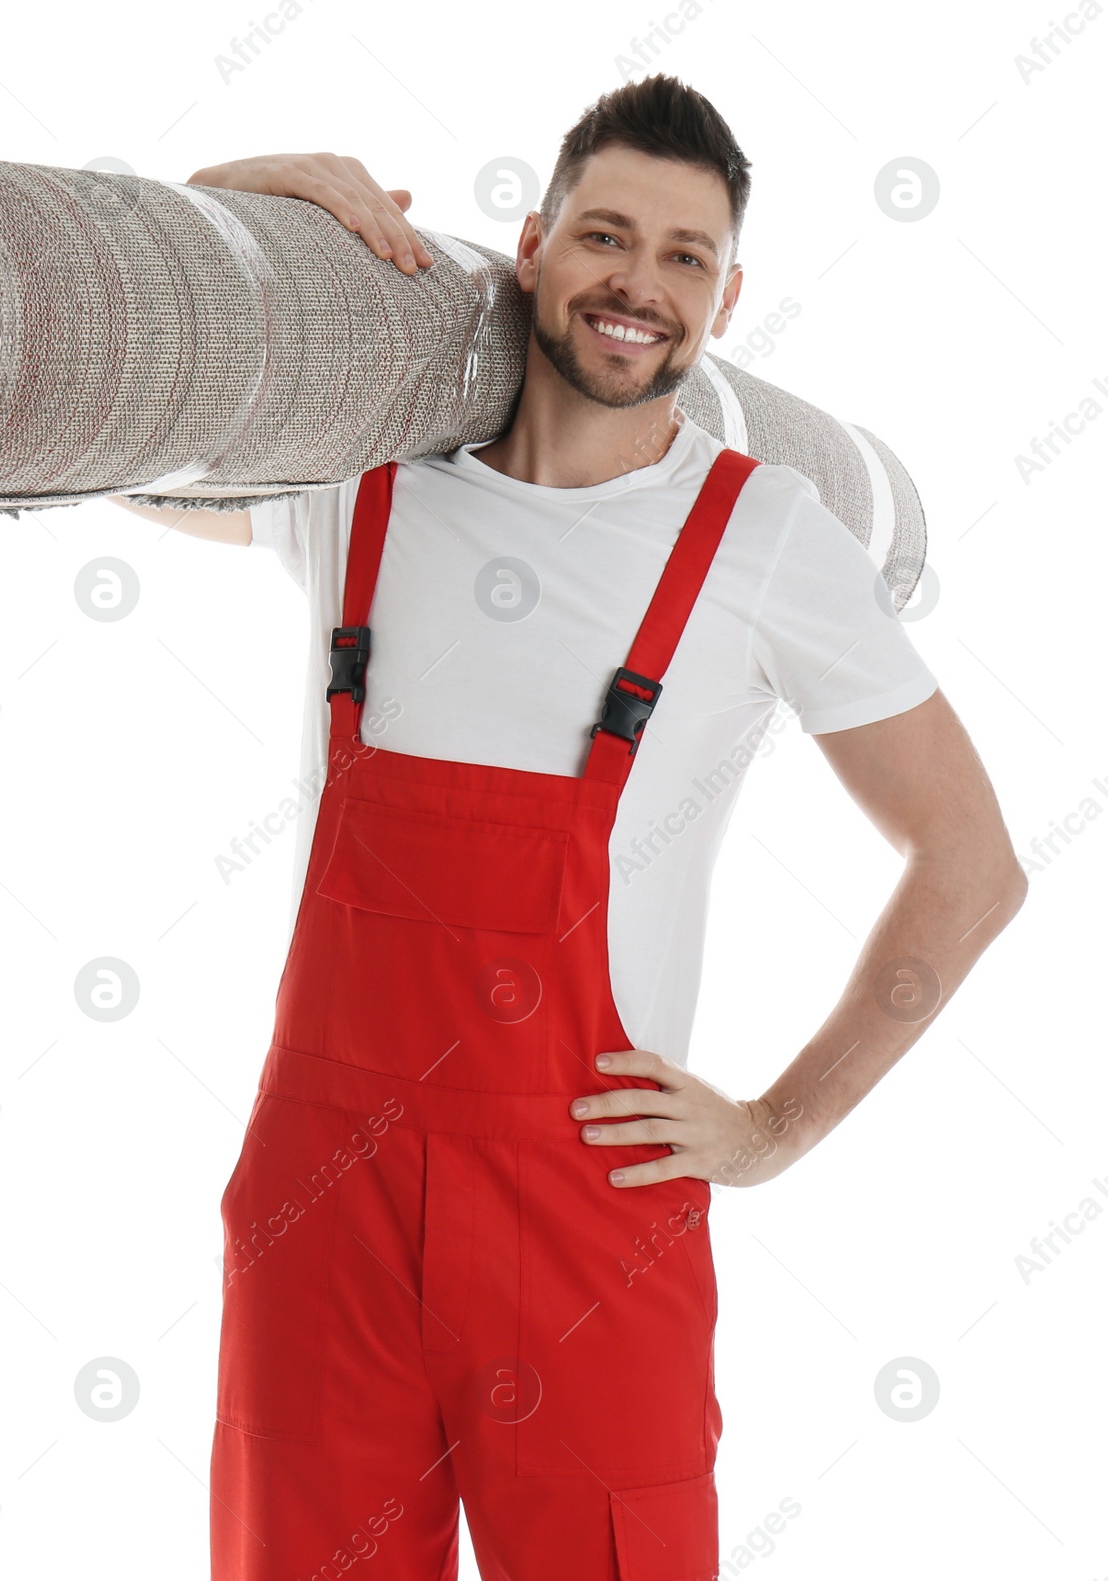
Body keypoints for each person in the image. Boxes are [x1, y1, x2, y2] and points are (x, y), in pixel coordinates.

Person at [112, 73, 1025, 1581]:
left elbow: (972, 864)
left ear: (726, 300)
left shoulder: (763, 538)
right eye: (607, 236)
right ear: (533, 244)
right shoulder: (366, 484)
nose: (638, 285)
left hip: (589, 1225)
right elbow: (132, 446)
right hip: (322, 1214)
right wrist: (238, 200)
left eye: (684, 258)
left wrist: (775, 1128)